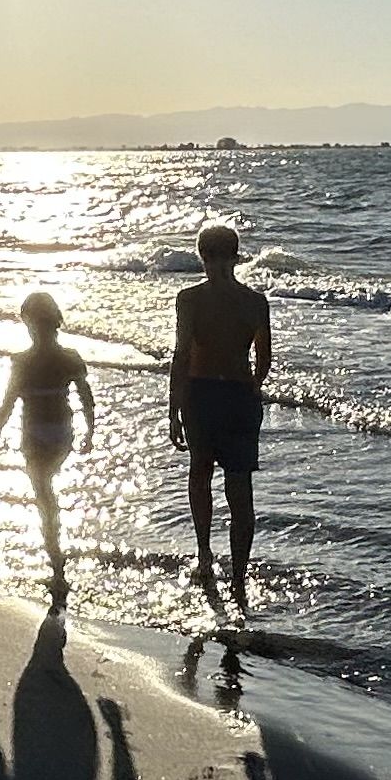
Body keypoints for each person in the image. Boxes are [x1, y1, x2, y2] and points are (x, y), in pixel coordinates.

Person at [168, 222, 273, 611]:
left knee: (211, 477)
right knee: (232, 482)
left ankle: (210, 557)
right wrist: (251, 386)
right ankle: (230, 570)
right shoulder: (254, 301)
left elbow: (182, 353)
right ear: (236, 256)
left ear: (204, 256)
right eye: (215, 258)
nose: (214, 265)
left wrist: (174, 405)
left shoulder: (190, 299)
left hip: (204, 393)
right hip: (236, 395)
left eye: (213, 257)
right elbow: (263, 358)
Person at [0, 291, 100, 595]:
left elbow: (6, 407)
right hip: (62, 434)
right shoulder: (69, 357)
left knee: (44, 496)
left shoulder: (23, 361)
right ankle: (56, 560)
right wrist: (90, 432)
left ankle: (57, 564)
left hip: (35, 435)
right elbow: (86, 397)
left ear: (30, 324)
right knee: (47, 493)